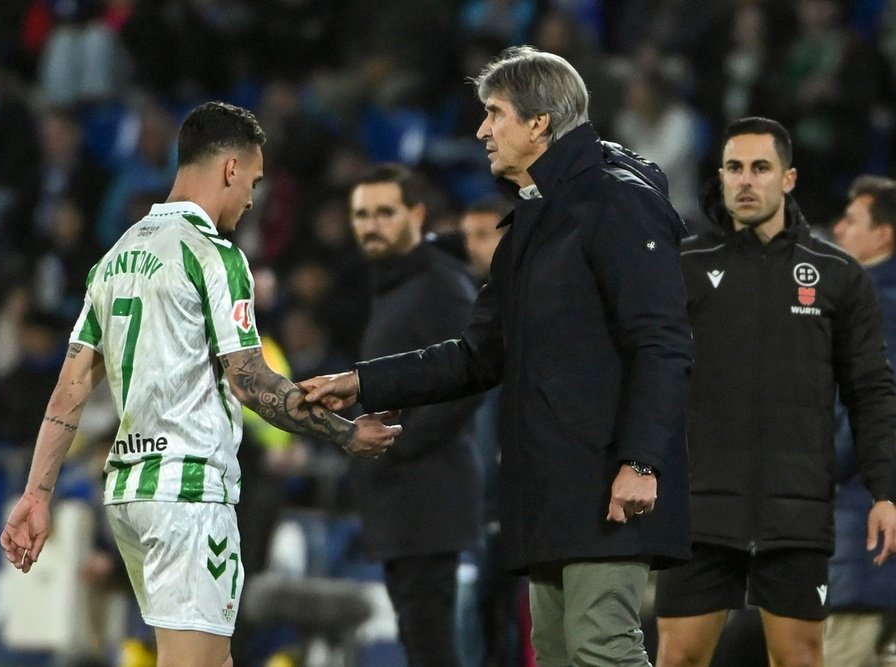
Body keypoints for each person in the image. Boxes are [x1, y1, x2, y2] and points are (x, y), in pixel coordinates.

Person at [300, 45, 694, 667]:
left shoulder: (616, 202)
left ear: (539, 123)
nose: (482, 129)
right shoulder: (535, 219)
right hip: (548, 486)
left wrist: (641, 461)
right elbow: (477, 355)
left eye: (495, 113)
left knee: (604, 648)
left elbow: (663, 341)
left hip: (605, 477)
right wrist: (363, 382)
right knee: (561, 655)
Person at [0, 102, 402, 667]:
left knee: (209, 660)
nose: (252, 199)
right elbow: (250, 380)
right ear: (230, 169)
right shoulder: (213, 255)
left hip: (129, 495)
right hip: (187, 496)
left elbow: (69, 390)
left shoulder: (113, 260)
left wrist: (37, 494)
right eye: (254, 182)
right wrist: (344, 433)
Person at [654, 117, 896, 667]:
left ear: (788, 179)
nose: (746, 180)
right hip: (700, 508)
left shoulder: (837, 276)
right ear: (719, 176)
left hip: (796, 513)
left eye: (760, 168)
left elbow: (872, 391)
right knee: (678, 659)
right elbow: (650, 379)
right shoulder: (683, 268)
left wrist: (886, 491)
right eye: (734, 168)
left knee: (800, 661)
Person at [345, 163, 483, 666]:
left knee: (431, 646)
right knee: (418, 641)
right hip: (400, 499)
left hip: (431, 494)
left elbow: (471, 380)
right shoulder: (394, 285)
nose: (371, 224)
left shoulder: (441, 284)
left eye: (385, 212)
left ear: (417, 214)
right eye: (361, 214)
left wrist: (398, 444)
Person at [456, 196, 529, 667]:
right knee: (476, 613)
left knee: (510, 614)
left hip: (517, 491)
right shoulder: (464, 301)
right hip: (476, 492)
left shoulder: (524, 302)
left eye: (484, 234)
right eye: (467, 237)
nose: (473, 247)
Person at [826, 175, 896, 667]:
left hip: (865, 540)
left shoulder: (874, 306)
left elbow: (871, 410)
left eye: (852, 220)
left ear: (884, 234)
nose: (838, 229)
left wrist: (813, 468)